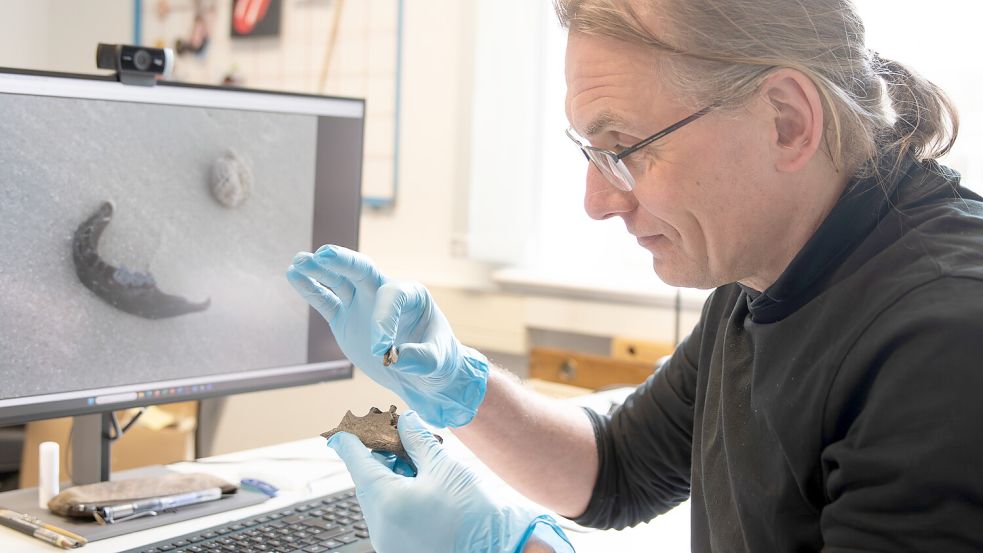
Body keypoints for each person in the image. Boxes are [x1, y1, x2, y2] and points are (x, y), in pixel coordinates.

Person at [287, 0, 983, 551]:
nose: (596, 201)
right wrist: (454, 385)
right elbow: (618, 467)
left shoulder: (943, 341)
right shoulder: (764, 272)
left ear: (786, 122)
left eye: (623, 148)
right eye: (590, 151)